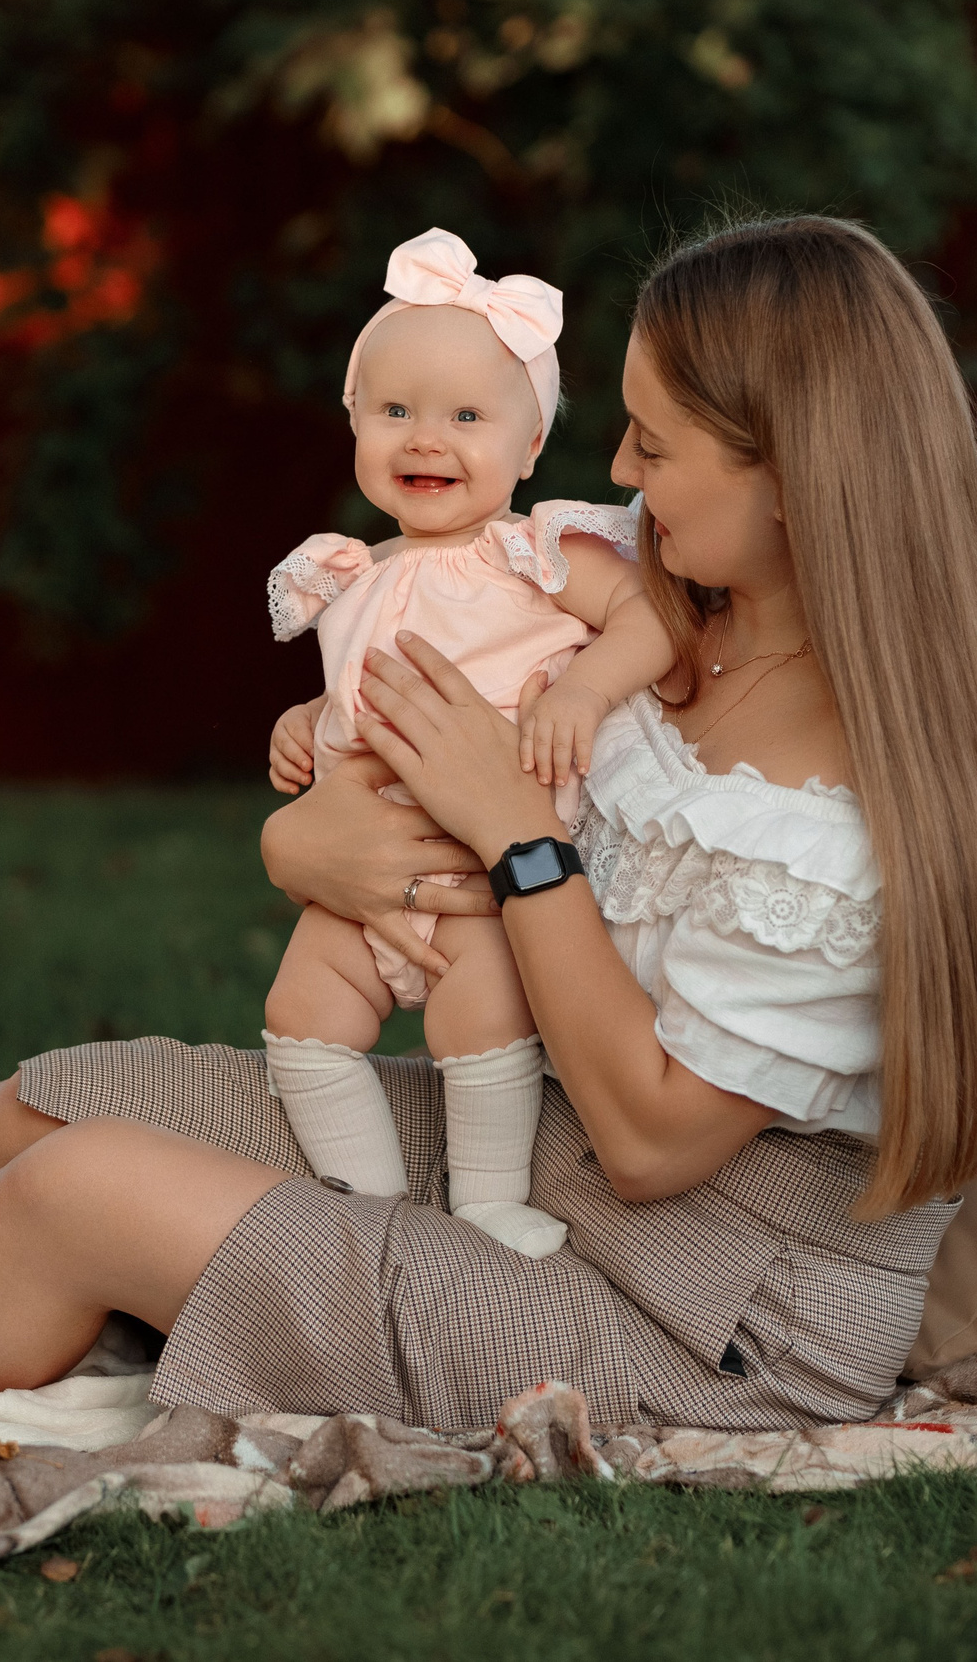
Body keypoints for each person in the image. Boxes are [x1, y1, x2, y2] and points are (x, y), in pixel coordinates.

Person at [0, 215, 977, 1437]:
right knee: (45, 1103)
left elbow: (655, 1140)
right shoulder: (660, 596)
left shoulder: (846, 820)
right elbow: (372, 771)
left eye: (655, 446)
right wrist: (302, 847)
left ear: (795, 473)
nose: (616, 471)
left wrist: (519, 839)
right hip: (543, 1157)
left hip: (695, 1321)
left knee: (84, 1191)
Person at [262, 227, 675, 1260]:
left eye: (466, 416)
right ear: (354, 422)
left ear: (528, 451)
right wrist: (305, 725)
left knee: (482, 1023)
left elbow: (651, 618)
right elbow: (354, 695)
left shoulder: (530, 555)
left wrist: (583, 687)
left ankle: (487, 1201)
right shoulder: (348, 575)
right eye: (394, 411)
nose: (425, 440)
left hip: (486, 881)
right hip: (357, 884)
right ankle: (366, 1209)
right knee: (301, 1015)